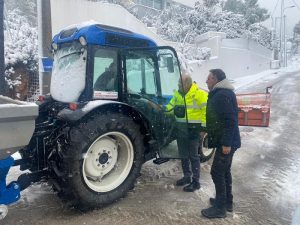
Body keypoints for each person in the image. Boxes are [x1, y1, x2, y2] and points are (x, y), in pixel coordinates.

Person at [201, 69, 241, 218]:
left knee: (217, 172)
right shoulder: (222, 92)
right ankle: (226, 201)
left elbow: (230, 121)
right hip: (228, 140)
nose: (206, 81)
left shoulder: (222, 95)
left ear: (216, 79)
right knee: (224, 171)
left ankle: (220, 208)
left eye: (209, 78)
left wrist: (226, 143)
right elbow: (218, 119)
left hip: (227, 142)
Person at [167, 72, 208, 192]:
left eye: (181, 82)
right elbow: (170, 108)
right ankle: (187, 176)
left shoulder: (199, 94)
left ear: (188, 83)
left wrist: (204, 128)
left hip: (194, 130)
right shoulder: (177, 94)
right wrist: (160, 109)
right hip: (181, 129)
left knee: (194, 156)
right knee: (183, 155)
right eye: (179, 82)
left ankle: (196, 182)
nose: (179, 84)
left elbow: (207, 111)